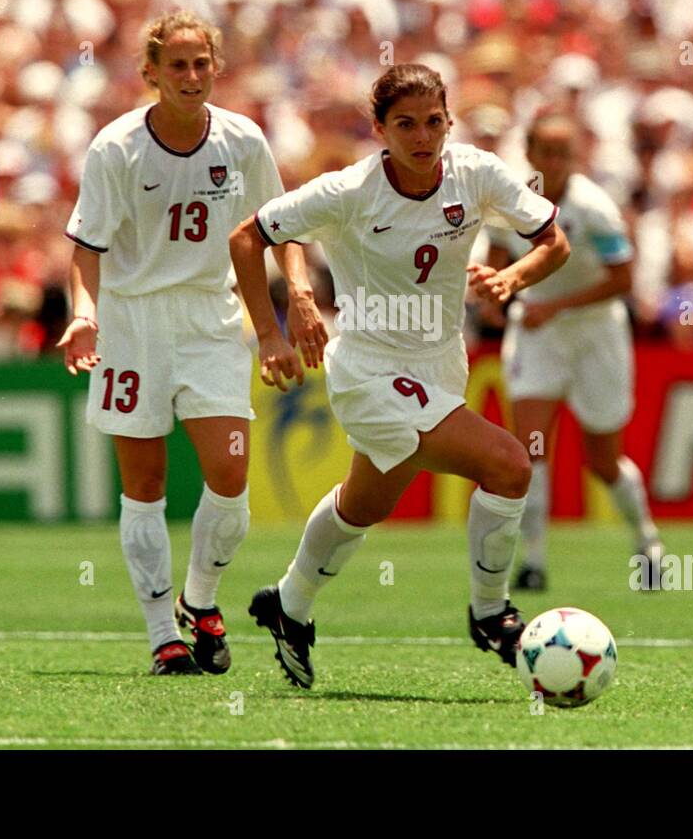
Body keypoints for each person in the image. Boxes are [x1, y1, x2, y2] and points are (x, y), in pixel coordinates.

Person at [229, 63, 570, 689]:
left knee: (365, 503)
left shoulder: (476, 174)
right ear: (379, 128)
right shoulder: (350, 189)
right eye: (405, 124)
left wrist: (511, 279)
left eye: (434, 121)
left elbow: (554, 241)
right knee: (510, 464)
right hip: (367, 369)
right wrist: (275, 327)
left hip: (439, 362)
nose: (422, 136)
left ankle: (288, 604)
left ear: (450, 122)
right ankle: (491, 613)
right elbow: (250, 236)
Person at [58, 11, 325, 675]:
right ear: (149, 73)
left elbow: (280, 227)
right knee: (143, 484)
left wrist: (297, 296)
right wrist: (83, 313)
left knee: (230, 476)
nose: (190, 75)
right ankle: (161, 637)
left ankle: (199, 599)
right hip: (132, 325)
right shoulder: (115, 148)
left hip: (210, 321)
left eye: (201, 63)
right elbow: (85, 249)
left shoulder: (242, 141)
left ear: (217, 67)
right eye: (176, 65)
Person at [485, 113, 663, 592]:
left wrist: (556, 306)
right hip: (538, 333)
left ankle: (647, 541)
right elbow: (500, 262)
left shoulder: (594, 208)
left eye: (564, 153)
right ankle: (535, 560)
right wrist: (494, 299)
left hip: (595, 333)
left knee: (603, 461)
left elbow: (623, 280)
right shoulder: (511, 204)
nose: (555, 162)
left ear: (575, 157)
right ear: (530, 153)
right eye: (546, 151)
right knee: (531, 447)